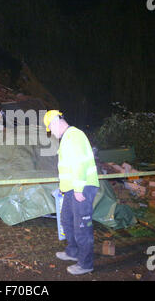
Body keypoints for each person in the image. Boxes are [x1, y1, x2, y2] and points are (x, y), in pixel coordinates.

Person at [44, 110, 100, 275]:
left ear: (56, 121)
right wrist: (64, 187)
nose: (52, 133)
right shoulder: (67, 138)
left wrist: (78, 188)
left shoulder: (74, 135)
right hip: (71, 190)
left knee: (82, 227)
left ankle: (85, 264)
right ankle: (73, 252)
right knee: (67, 221)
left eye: (51, 129)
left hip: (82, 188)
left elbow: (79, 164)